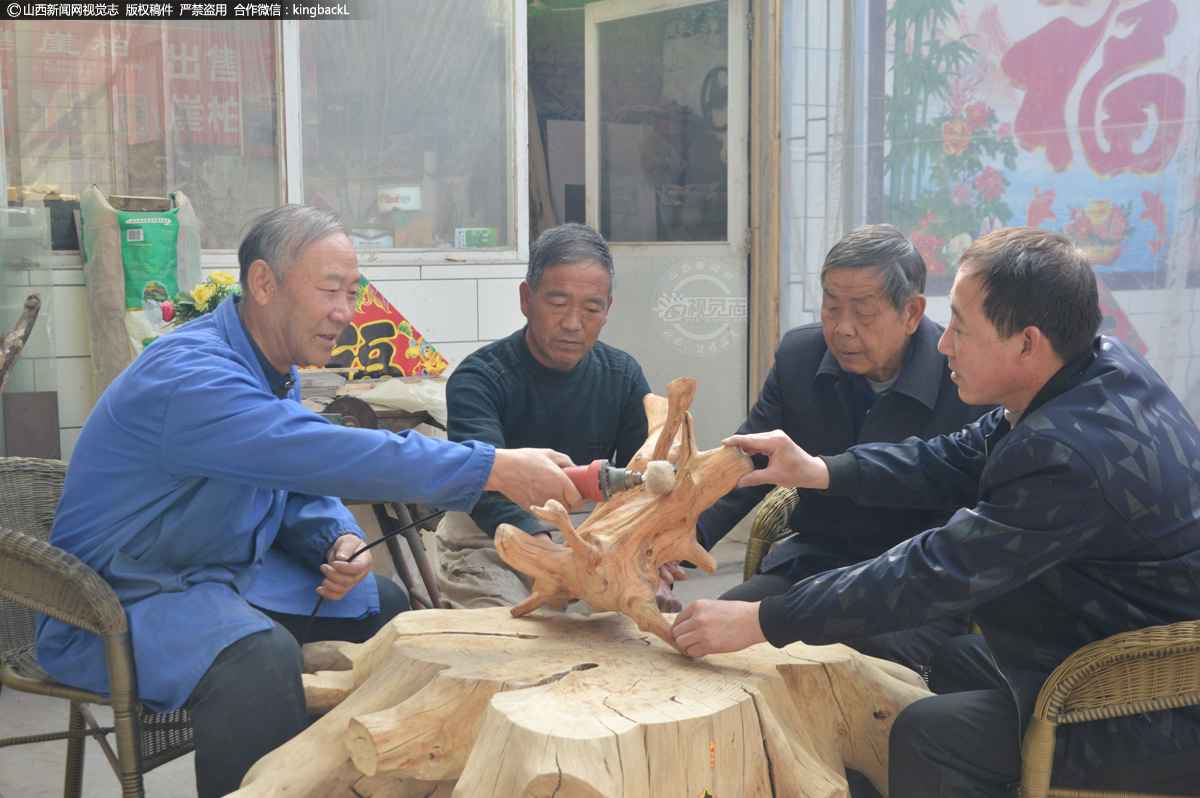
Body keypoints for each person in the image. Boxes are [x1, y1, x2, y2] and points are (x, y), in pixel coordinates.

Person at [35, 205, 584, 798]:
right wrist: (493, 467)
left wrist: (337, 538)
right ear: (264, 283)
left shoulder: (272, 365)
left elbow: (294, 479)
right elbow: (318, 453)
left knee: (387, 606)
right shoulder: (190, 377)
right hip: (119, 599)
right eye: (330, 290)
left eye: (352, 293)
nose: (345, 313)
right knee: (256, 660)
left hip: (214, 578)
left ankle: (372, 780)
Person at [671, 227, 1200, 796]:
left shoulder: (1066, 455)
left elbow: (931, 571)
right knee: (956, 665)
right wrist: (823, 471)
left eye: (962, 330)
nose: (944, 343)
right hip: (1084, 631)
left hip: (1148, 695)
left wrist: (762, 621)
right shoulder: (1091, 369)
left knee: (925, 731)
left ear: (1026, 343)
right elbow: (956, 455)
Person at [680, 224, 987, 673]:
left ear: (912, 312)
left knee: (854, 670)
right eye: (830, 306)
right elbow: (745, 463)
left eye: (864, 313)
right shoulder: (799, 357)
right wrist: (688, 535)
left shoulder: (961, 378)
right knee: (704, 639)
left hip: (909, 585)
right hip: (811, 565)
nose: (841, 329)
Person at [434, 222, 651, 608]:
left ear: (607, 310)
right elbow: (484, 484)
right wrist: (547, 556)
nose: (572, 323)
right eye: (558, 303)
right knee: (506, 641)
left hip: (591, 537)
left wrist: (649, 557)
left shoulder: (623, 376)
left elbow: (645, 483)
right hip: (486, 540)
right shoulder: (479, 378)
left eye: (591, 308)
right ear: (526, 298)